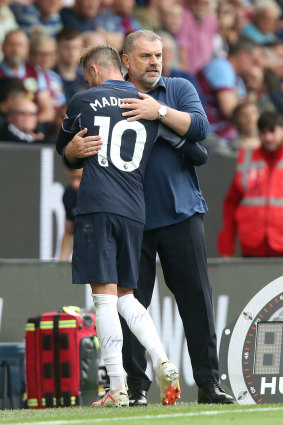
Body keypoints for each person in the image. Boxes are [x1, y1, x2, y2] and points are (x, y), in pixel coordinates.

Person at [56, 44, 209, 407]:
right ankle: (162, 359)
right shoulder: (146, 106)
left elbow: (66, 151)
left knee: (104, 298)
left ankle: (118, 386)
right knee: (126, 296)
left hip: (97, 206)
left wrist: (72, 152)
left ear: (93, 70)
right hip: (134, 211)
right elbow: (199, 150)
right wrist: (159, 113)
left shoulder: (84, 100)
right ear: (121, 63)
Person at [117, 29, 233, 406]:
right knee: (132, 305)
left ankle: (209, 383)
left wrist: (158, 111)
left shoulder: (179, 88)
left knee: (197, 301)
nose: (154, 62)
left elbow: (201, 129)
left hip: (182, 212)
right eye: (146, 56)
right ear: (126, 60)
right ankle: (135, 389)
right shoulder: (113, 95)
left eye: (158, 55)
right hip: (131, 217)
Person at [218, 111, 283, 258]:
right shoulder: (246, 159)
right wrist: (226, 248)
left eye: (272, 131)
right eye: (263, 132)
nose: (268, 137)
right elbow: (231, 205)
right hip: (252, 247)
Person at [0, 29, 54, 123]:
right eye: (11, 44)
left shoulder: (36, 73)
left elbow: (47, 111)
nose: (15, 50)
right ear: (2, 47)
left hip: (32, 129)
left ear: (27, 50)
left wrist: (28, 124)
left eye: (20, 45)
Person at [59, 168, 83, 261]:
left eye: (79, 178)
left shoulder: (106, 196)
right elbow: (70, 233)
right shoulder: (70, 195)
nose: (75, 184)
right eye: (72, 178)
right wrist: (60, 265)